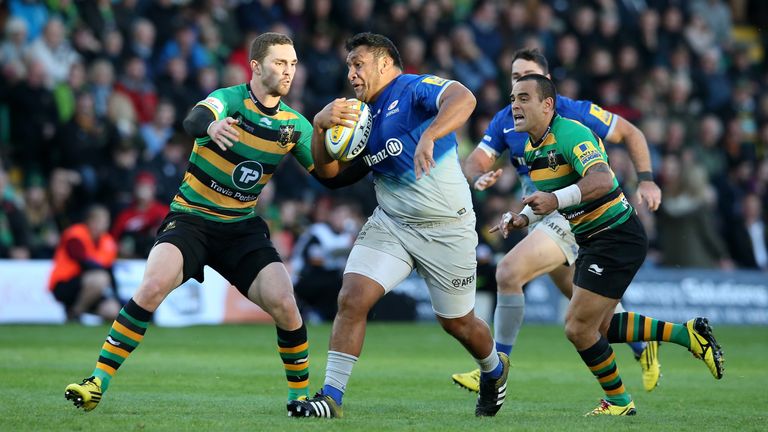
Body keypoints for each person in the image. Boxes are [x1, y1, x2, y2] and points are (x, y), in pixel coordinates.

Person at [64, 32, 331, 414]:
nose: (289, 71)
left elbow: (329, 176)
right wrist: (211, 127)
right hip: (191, 219)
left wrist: (340, 143)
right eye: (280, 63)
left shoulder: (296, 125)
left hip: (240, 227)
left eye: (293, 64)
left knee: (286, 305)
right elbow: (195, 118)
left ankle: (299, 400)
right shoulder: (227, 99)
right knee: (153, 286)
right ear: (256, 66)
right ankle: (96, 382)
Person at [288, 32, 509, 419]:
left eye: (359, 64)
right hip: (393, 223)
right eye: (349, 67)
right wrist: (319, 129)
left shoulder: (411, 89)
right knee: (352, 298)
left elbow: (464, 98)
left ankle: (494, 370)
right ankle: (331, 398)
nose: (352, 74)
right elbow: (331, 177)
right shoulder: (358, 117)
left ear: (385, 64)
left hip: (448, 228)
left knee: (457, 323)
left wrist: (430, 134)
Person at [491, 74, 724, 416]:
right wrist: (522, 218)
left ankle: (619, 401)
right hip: (592, 240)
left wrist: (554, 200)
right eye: (512, 98)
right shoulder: (531, 148)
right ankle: (689, 335)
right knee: (599, 327)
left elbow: (601, 178)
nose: (514, 105)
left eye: (523, 97)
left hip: (616, 236)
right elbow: (549, 197)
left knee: (577, 327)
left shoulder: (572, 133)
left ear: (547, 104)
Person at [453, 48, 663, 394]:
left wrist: (647, 178)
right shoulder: (507, 118)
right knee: (589, 311)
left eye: (526, 76)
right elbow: (475, 161)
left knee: (508, 272)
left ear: (545, 82)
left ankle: (494, 367)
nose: (519, 83)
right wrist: (478, 177)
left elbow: (631, 133)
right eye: (514, 77)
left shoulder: (573, 114)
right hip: (539, 216)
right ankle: (643, 347)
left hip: (570, 212)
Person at [48, 205, 120, 322]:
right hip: (65, 283)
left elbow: (110, 270)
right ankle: (75, 313)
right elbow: (83, 262)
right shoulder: (75, 235)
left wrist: (116, 297)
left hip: (89, 288)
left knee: (112, 310)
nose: (104, 225)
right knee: (100, 278)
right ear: (90, 221)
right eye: (100, 221)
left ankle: (79, 311)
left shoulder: (107, 241)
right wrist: (102, 268)